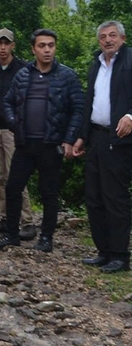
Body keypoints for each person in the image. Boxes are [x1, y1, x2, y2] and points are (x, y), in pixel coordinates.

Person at [0, 29, 84, 253]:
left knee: (49, 192)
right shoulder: (23, 74)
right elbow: (8, 101)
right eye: (42, 45)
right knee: (12, 188)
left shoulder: (67, 76)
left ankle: (46, 238)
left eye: (51, 45)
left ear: (55, 47)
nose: (47, 49)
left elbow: (78, 109)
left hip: (51, 145)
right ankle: (11, 234)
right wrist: (13, 122)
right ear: (33, 49)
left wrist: (69, 139)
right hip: (25, 143)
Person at [73, 21, 132, 273]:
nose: (108, 40)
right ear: (98, 42)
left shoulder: (130, 61)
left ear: (123, 37)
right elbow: (90, 102)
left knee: (115, 197)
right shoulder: (96, 63)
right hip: (95, 137)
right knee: (94, 196)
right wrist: (81, 137)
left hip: (118, 138)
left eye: (113, 35)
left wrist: (131, 116)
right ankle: (103, 251)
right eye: (103, 37)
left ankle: (120, 255)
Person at [0, 28, 37, 241]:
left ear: (13, 45)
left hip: (13, 130)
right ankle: (5, 217)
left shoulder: (23, 69)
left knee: (16, 176)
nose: (3, 47)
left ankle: (27, 221)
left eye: (7, 43)